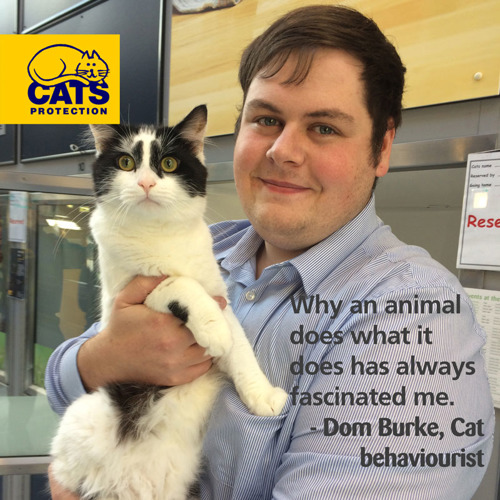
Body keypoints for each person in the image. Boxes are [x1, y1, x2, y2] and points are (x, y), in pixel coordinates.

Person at [46, 5, 494, 499]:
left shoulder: (414, 320)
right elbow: (62, 381)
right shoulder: (209, 244)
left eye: (324, 127)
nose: (282, 151)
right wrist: (100, 358)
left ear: (382, 148)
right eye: (265, 119)